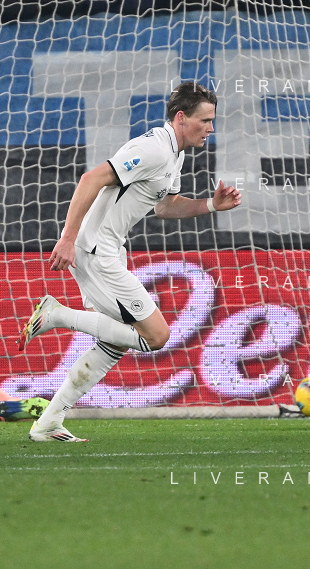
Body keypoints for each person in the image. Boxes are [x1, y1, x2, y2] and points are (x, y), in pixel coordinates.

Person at [19, 82, 242, 442]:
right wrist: (68, 238)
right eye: (205, 120)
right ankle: (56, 315)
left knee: (116, 342)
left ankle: (49, 422)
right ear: (181, 118)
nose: (210, 128)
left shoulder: (174, 153)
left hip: (107, 251)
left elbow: (165, 206)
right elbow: (92, 178)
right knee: (157, 336)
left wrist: (211, 205)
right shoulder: (153, 149)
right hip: (96, 252)